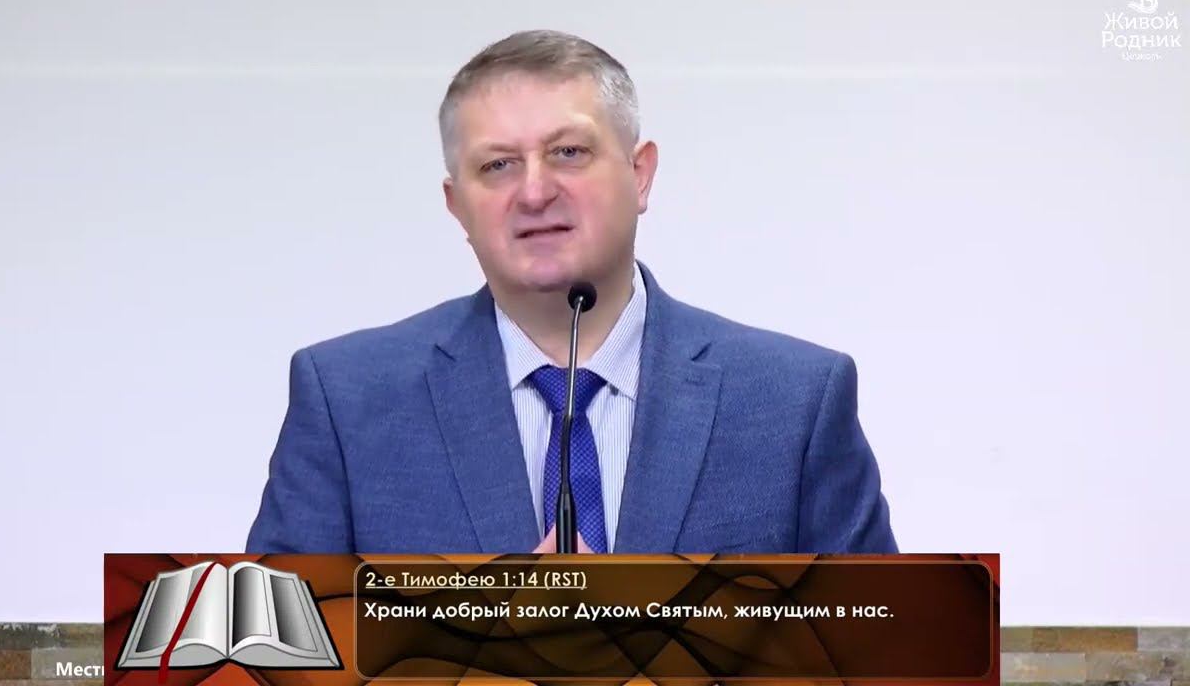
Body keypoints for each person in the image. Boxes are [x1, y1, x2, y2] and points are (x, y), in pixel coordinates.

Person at [246, 30, 897, 555]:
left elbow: (882, 652)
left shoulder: (794, 400)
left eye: (568, 153)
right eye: (497, 165)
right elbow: (271, 655)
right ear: (456, 204)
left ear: (640, 175)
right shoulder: (347, 401)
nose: (534, 192)